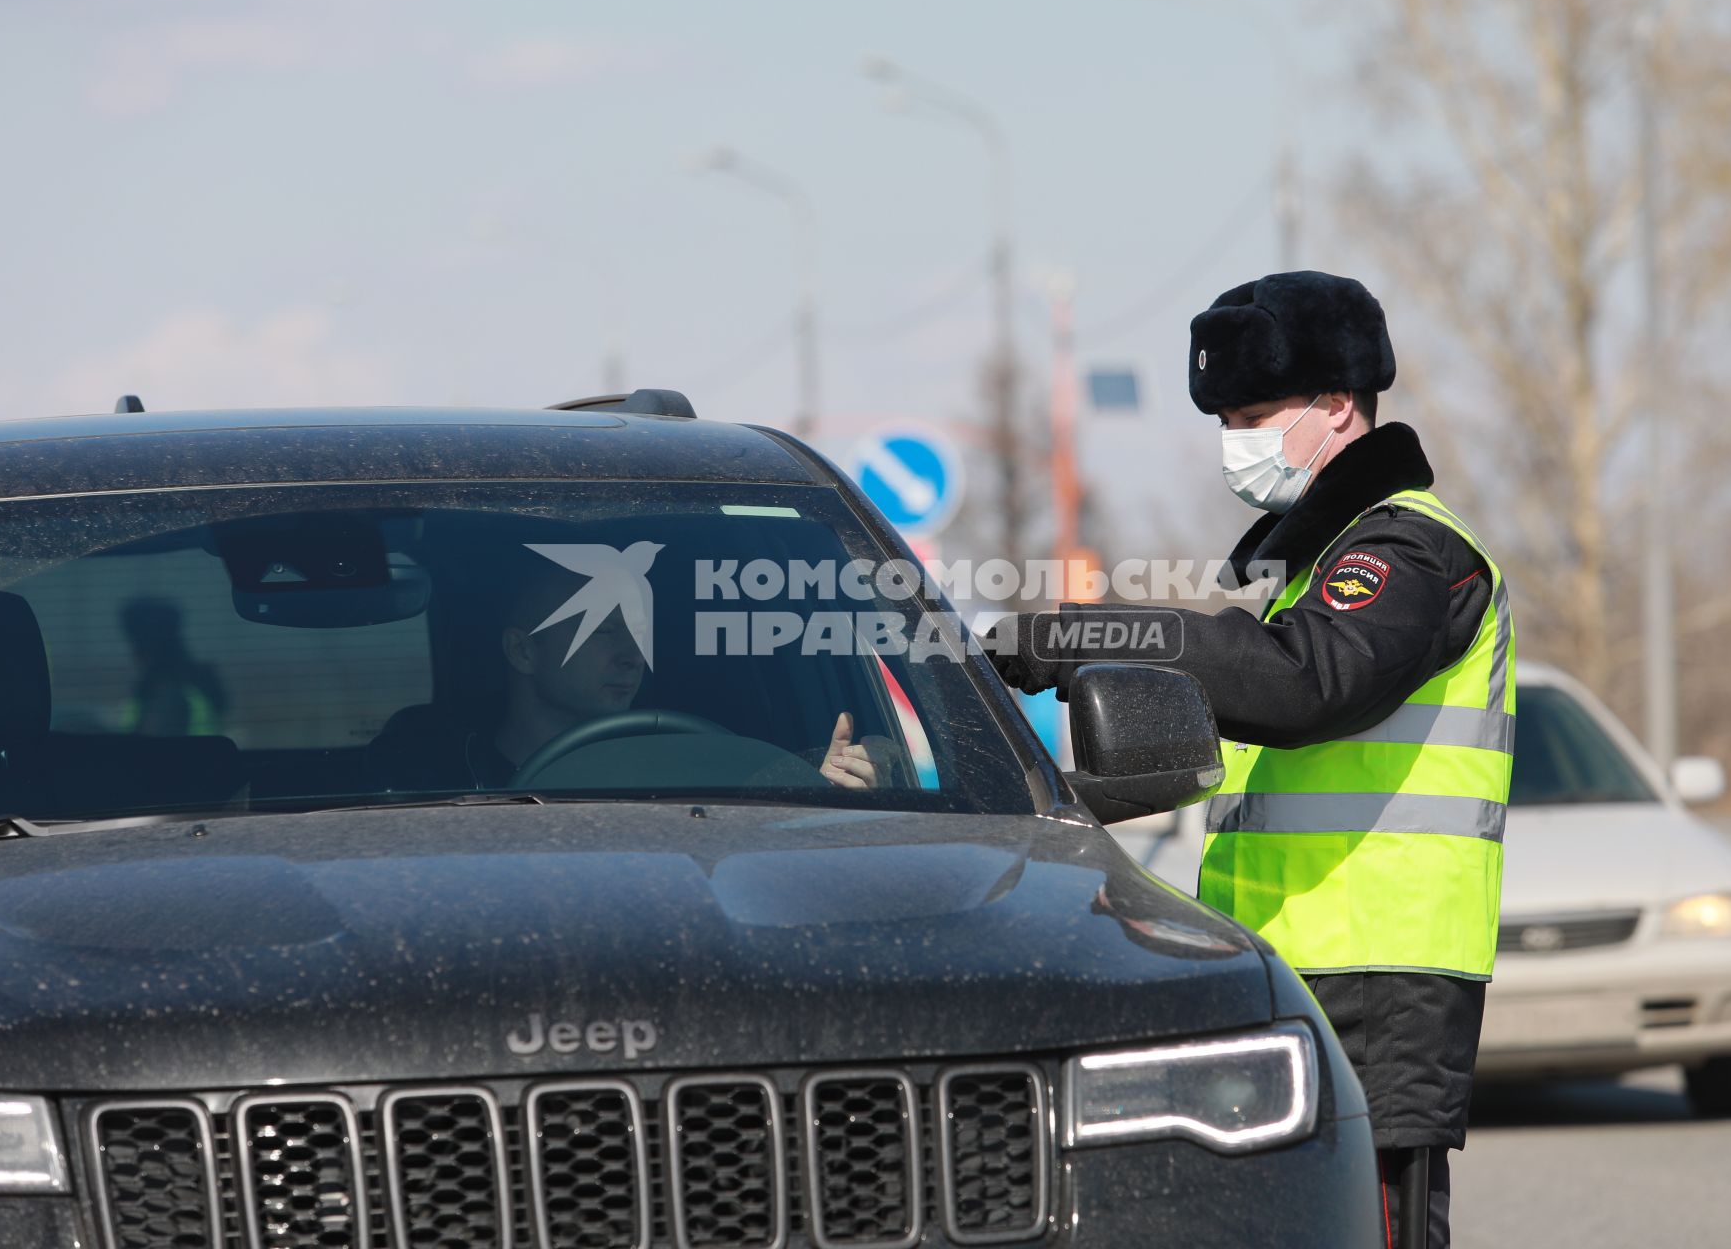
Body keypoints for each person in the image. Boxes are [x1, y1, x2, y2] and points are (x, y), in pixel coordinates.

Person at [986, 271, 1512, 1248]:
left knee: (1377, 1226)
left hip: (1381, 962)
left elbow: (1304, 683)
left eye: (1254, 412)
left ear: (1340, 404)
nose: (1236, 438)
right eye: (1224, 416)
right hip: (1297, 954)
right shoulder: (1312, 571)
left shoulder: (1409, 551)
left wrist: (1081, 632)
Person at [372, 556, 879, 791]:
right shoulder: (428, 773)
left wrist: (822, 800)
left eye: (638, 632)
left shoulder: (700, 770)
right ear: (523, 652)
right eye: (603, 631)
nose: (632, 655)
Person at [119, 597, 226, 737]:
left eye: (136, 643)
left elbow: (155, 749)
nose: (132, 652)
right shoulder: (191, 682)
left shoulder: (169, 692)